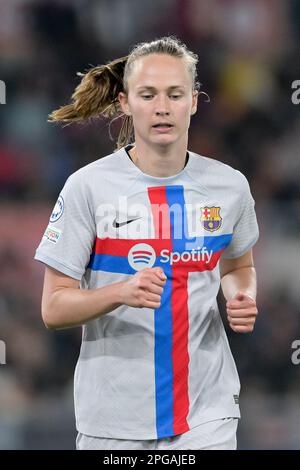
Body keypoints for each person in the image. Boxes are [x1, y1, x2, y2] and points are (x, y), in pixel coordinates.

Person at [34, 36, 259, 450]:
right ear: (124, 103)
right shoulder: (89, 187)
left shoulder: (229, 187)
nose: (162, 107)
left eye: (175, 95)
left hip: (206, 415)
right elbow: (53, 308)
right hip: (113, 422)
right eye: (148, 94)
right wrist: (122, 291)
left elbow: (237, 266)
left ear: (193, 101)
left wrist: (241, 296)